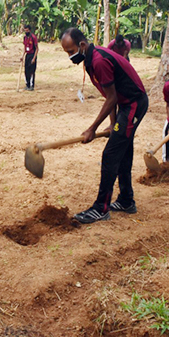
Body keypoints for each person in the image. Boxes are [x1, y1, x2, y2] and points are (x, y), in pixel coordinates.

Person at [60, 27, 148, 224]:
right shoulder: (90, 59)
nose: (69, 56)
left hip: (133, 104)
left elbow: (112, 98)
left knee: (111, 155)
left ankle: (101, 208)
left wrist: (92, 128)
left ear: (82, 45)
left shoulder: (98, 61)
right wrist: (113, 124)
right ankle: (126, 201)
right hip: (125, 105)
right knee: (122, 150)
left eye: (70, 51)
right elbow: (111, 95)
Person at [21, 25, 39, 91]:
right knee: (26, 71)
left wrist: (34, 58)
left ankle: (32, 86)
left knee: (32, 71)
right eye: (25, 30)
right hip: (27, 55)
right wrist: (22, 56)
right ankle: (27, 84)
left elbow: (37, 49)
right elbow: (24, 48)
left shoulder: (33, 37)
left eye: (27, 30)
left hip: (32, 55)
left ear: (30, 30)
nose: (26, 32)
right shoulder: (25, 37)